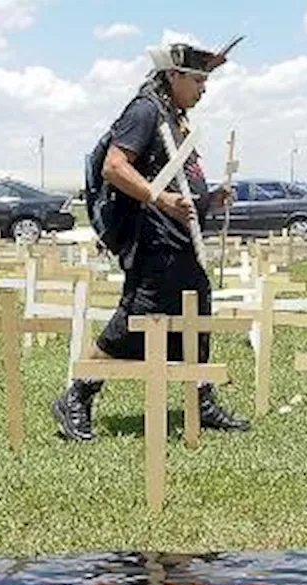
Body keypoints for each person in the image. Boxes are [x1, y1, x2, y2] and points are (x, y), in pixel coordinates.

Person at [51, 37, 250, 442]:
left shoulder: (174, 115)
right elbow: (114, 166)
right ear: (173, 76)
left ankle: (200, 398)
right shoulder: (145, 111)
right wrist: (160, 198)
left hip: (179, 241)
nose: (203, 88)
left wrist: (208, 199)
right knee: (137, 320)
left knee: (197, 315)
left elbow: (177, 186)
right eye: (197, 80)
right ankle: (77, 395)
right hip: (152, 242)